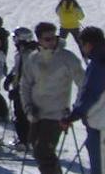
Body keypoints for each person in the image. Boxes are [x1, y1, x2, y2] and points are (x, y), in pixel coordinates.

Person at [22, 21, 85, 174]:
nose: (52, 42)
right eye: (47, 39)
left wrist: (76, 110)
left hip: (57, 114)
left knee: (43, 152)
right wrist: (28, 108)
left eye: (54, 37)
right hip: (37, 114)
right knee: (38, 151)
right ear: (39, 40)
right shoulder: (33, 58)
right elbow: (25, 86)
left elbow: (83, 83)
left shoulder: (67, 58)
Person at [66, 26, 105, 174]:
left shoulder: (98, 63)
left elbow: (91, 93)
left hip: (99, 123)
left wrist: (74, 114)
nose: (83, 48)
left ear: (89, 44)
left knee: (99, 166)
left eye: (82, 44)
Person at [6, 27, 38, 149]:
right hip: (20, 88)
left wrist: (17, 89)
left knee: (22, 115)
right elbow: (17, 68)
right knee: (19, 113)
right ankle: (26, 139)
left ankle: (25, 141)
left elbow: (26, 73)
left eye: (15, 38)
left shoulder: (30, 53)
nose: (14, 41)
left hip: (26, 90)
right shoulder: (20, 52)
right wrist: (10, 77)